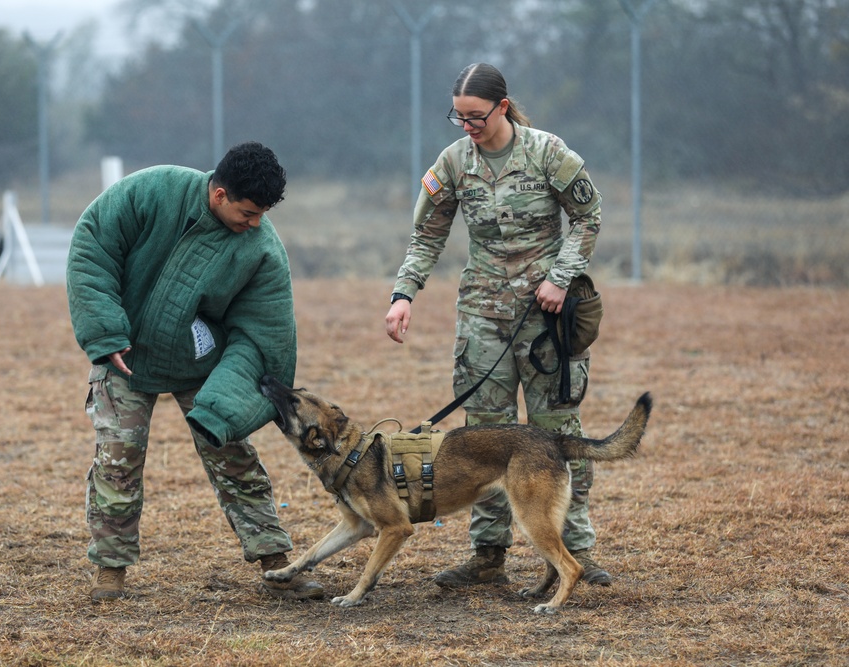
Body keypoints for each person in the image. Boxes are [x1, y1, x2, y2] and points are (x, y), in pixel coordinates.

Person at [384, 64, 611, 589]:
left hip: (548, 317)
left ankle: (577, 552)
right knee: (482, 438)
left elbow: (589, 216)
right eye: (458, 117)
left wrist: (560, 277)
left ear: (502, 107)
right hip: (483, 316)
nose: (467, 126)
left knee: (556, 433)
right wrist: (403, 294)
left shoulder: (548, 153)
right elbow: (427, 235)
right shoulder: (454, 163)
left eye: (476, 116)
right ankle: (488, 558)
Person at [67, 141, 323, 602]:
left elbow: (263, 334)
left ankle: (277, 563)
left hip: (199, 360)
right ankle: (110, 572)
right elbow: (93, 246)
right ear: (220, 194)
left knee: (234, 457)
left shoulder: (261, 248)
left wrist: (227, 403)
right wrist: (104, 331)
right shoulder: (154, 190)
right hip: (124, 353)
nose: (255, 224)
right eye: (247, 212)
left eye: (263, 214)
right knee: (117, 461)